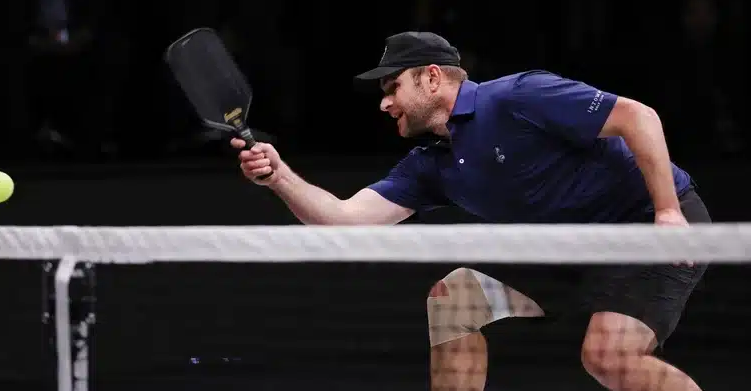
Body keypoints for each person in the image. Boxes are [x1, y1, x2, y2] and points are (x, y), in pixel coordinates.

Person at [230, 31, 709, 391]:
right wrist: (280, 177)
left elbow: (637, 117)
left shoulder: (518, 96)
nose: (384, 103)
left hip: (644, 223)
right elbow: (343, 220)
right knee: (454, 299)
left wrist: (668, 213)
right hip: (563, 247)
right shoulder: (429, 165)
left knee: (609, 357)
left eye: (393, 86)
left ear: (431, 77)